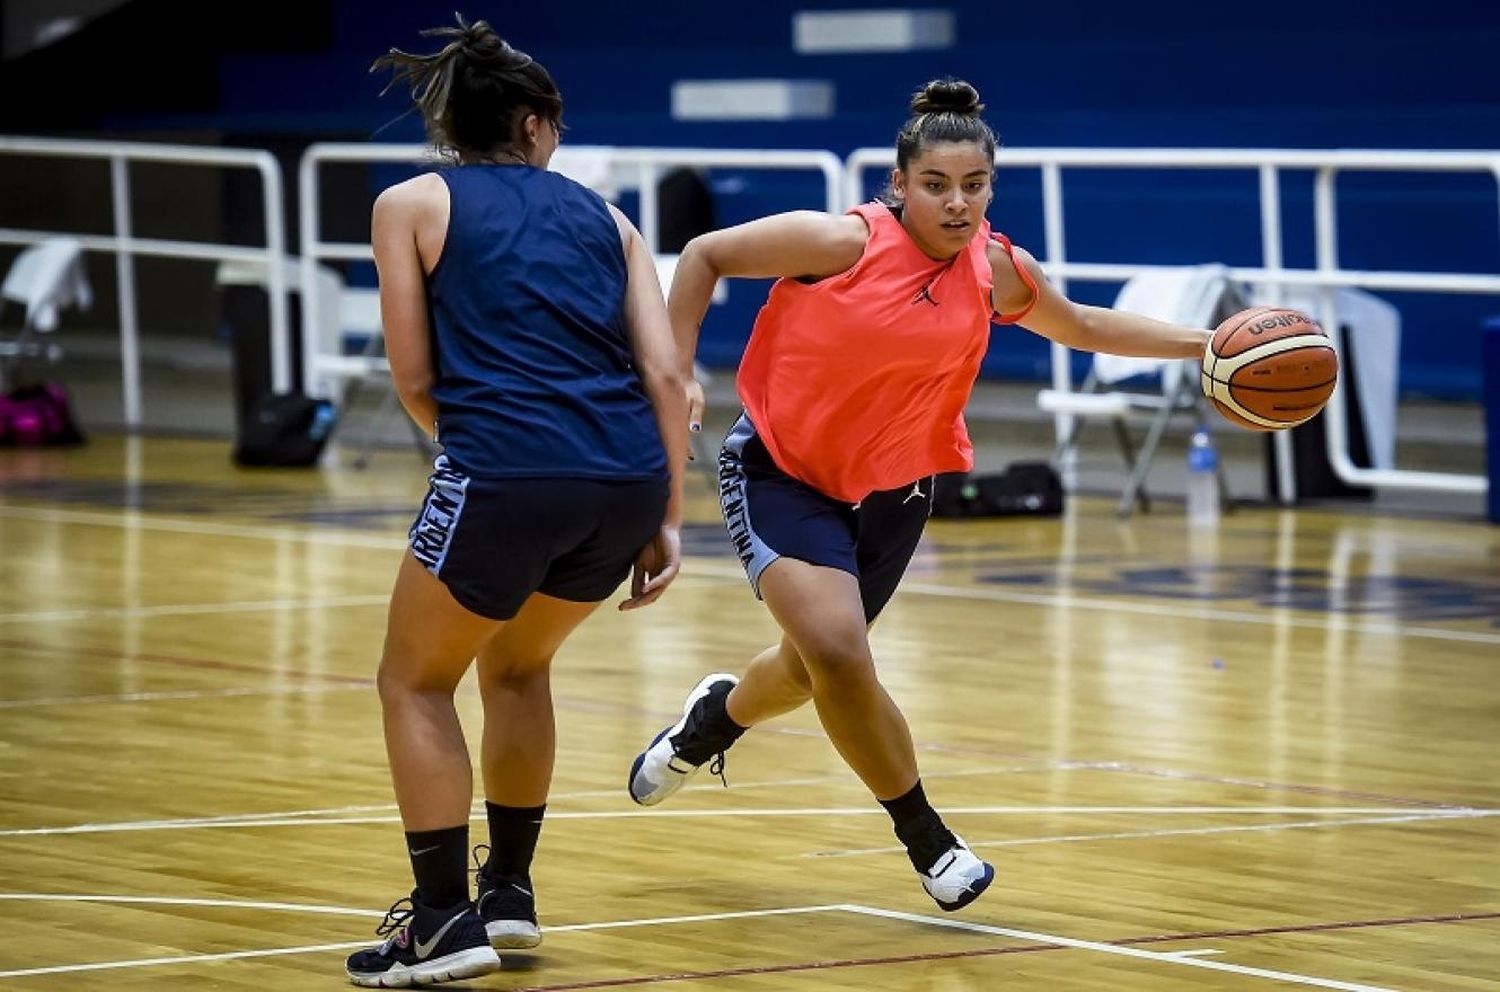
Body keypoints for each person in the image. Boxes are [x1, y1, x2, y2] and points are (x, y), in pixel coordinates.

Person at [628, 78, 1213, 911]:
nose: (957, 202)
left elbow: (1081, 325)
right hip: (781, 471)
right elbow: (704, 255)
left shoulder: (998, 269)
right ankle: (927, 839)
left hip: (897, 494)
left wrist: (1209, 343)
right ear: (899, 185)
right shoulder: (841, 243)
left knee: (809, 669)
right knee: (837, 651)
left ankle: (714, 720)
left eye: (974, 186)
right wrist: (677, 375)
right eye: (936, 185)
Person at [347, 15, 688, 988]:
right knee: (517, 664)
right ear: (536, 124)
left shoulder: (410, 202)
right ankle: (510, 893)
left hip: (504, 465)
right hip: (624, 477)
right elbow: (665, 374)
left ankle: (443, 920)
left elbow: (414, 374)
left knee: (413, 679)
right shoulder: (611, 220)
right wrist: (666, 514)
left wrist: (483, 454)